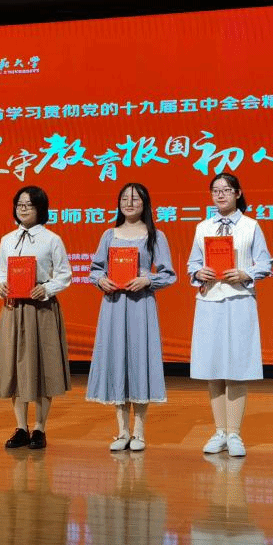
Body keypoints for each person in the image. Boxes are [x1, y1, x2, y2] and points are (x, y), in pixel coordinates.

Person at [86, 183, 176, 452]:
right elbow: (95, 269)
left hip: (140, 305)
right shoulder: (108, 235)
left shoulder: (155, 235)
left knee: (139, 361)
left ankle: (139, 432)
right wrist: (100, 280)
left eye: (135, 199)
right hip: (114, 305)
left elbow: (169, 274)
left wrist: (147, 280)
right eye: (124, 198)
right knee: (117, 361)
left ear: (145, 204)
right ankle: (122, 431)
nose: (129, 203)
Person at [188, 172, 272, 458]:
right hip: (209, 300)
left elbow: (264, 263)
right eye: (215, 190)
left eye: (226, 190)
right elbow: (192, 264)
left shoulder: (251, 226)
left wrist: (245, 273)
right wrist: (199, 272)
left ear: (238, 193)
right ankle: (219, 431)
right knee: (213, 367)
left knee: (237, 366)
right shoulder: (203, 227)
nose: (220, 195)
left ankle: (234, 433)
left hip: (239, 299)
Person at [0, 186, 71, 450]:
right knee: (15, 366)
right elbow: (0, 272)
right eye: (19, 204)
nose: (23, 209)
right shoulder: (7, 240)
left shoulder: (52, 239)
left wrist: (47, 288)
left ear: (40, 209)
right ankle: (21, 427)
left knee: (43, 367)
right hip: (13, 309)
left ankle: (39, 428)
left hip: (41, 309)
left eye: (29, 205)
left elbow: (64, 275)